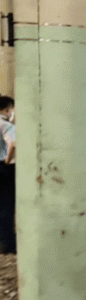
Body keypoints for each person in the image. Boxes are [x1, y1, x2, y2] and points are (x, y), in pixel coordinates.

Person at [0, 96, 15, 254]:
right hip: (3, 167)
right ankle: (7, 243)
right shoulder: (5, 125)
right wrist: (7, 160)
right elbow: (12, 144)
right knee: (7, 205)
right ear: (7, 110)